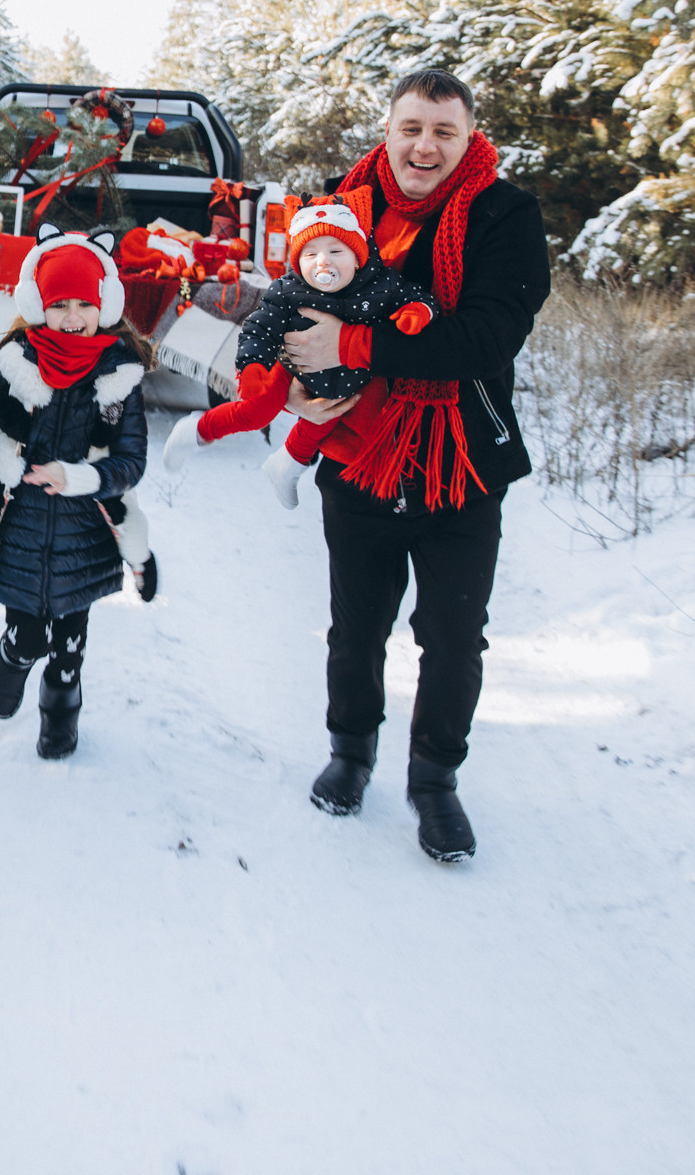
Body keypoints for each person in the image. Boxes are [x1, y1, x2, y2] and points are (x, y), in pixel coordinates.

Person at [276, 69, 551, 863]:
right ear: (388, 131)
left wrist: (354, 343)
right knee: (356, 626)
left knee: (454, 638)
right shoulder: (344, 205)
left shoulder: (504, 216)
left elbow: (484, 341)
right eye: (412, 128)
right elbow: (294, 308)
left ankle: (434, 780)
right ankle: (350, 750)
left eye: (443, 132)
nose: (425, 147)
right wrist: (292, 381)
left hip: (460, 465)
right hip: (359, 453)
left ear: (468, 138)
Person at [0, 232, 151, 760]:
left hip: (85, 541)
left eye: (84, 303)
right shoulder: (15, 365)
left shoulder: (119, 378)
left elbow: (131, 464)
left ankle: (60, 716)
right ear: (39, 305)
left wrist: (77, 477)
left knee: (68, 655)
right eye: (59, 304)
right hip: (19, 532)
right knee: (29, 635)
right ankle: (13, 657)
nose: (73, 316)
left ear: (104, 305)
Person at [160, 184, 435, 495]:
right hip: (291, 367)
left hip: (347, 377)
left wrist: (417, 311)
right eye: (311, 253)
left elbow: (415, 295)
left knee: (329, 417)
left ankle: (288, 466)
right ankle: (199, 430)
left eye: (336, 251)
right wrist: (252, 366)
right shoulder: (287, 290)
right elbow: (259, 328)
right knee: (258, 410)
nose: (323, 262)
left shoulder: (380, 285)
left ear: (358, 257)